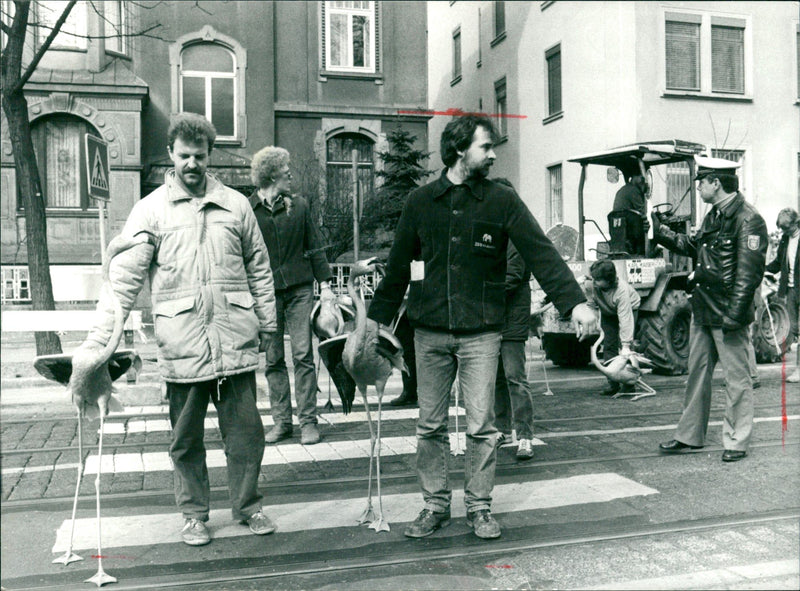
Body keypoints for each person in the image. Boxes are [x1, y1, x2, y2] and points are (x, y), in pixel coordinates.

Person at [367, 114, 596, 540]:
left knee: (482, 426)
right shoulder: (421, 202)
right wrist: (372, 323)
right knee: (429, 426)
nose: (493, 154)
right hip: (430, 332)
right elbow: (397, 268)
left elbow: (540, 251)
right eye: (485, 147)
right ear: (459, 149)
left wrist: (575, 303)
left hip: (482, 333)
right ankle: (434, 505)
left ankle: (479, 506)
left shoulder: (501, 201)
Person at [76, 113, 278, 546]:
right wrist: (98, 342)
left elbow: (259, 270)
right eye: (184, 155)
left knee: (246, 436)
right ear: (171, 154)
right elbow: (124, 279)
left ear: (210, 156)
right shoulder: (149, 210)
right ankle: (193, 515)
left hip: (234, 342)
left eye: (200, 156)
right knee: (185, 441)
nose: (192, 163)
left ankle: (248, 507)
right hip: (181, 343)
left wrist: (268, 324)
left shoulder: (236, 205)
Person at [653, 155, 767, 463]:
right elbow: (701, 253)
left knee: (737, 380)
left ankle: (736, 441)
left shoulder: (748, 219)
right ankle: (689, 436)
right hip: (704, 308)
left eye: (701, 181)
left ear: (716, 183)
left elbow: (749, 273)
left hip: (727, 312)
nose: (698, 187)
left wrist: (735, 315)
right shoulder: (715, 216)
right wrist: (663, 234)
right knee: (697, 375)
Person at [249, 146, 335, 445]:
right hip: (266, 293)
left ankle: (308, 422)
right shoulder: (249, 210)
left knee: (303, 356)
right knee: (273, 360)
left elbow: (314, 247)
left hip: (300, 290)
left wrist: (325, 287)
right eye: (285, 170)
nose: (290, 174)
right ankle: (282, 422)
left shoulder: (299, 206)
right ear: (271, 174)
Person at [493, 241, 536, 460]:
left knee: (514, 377)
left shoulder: (512, 240)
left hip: (511, 319)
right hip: (493, 319)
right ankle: (501, 429)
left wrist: (479, 292)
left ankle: (525, 435)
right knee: (498, 378)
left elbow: (513, 276)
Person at [588, 260, 641, 396]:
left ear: (609, 280)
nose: (595, 282)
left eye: (598, 280)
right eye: (594, 278)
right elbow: (591, 303)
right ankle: (613, 383)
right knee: (608, 345)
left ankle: (629, 384)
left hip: (629, 308)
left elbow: (625, 319)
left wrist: (626, 344)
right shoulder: (593, 284)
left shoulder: (621, 291)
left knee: (625, 350)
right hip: (608, 311)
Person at [765, 208, 800, 383]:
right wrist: (762, 270)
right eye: (783, 229)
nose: (785, 232)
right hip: (792, 290)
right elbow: (779, 262)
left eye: (787, 228)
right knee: (794, 329)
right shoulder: (786, 239)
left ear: (795, 223)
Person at [611, 174, 649, 255]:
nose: (643, 180)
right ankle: (642, 253)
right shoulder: (633, 190)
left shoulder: (623, 190)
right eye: (641, 177)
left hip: (621, 228)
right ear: (634, 177)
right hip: (630, 227)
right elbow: (643, 210)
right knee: (653, 230)